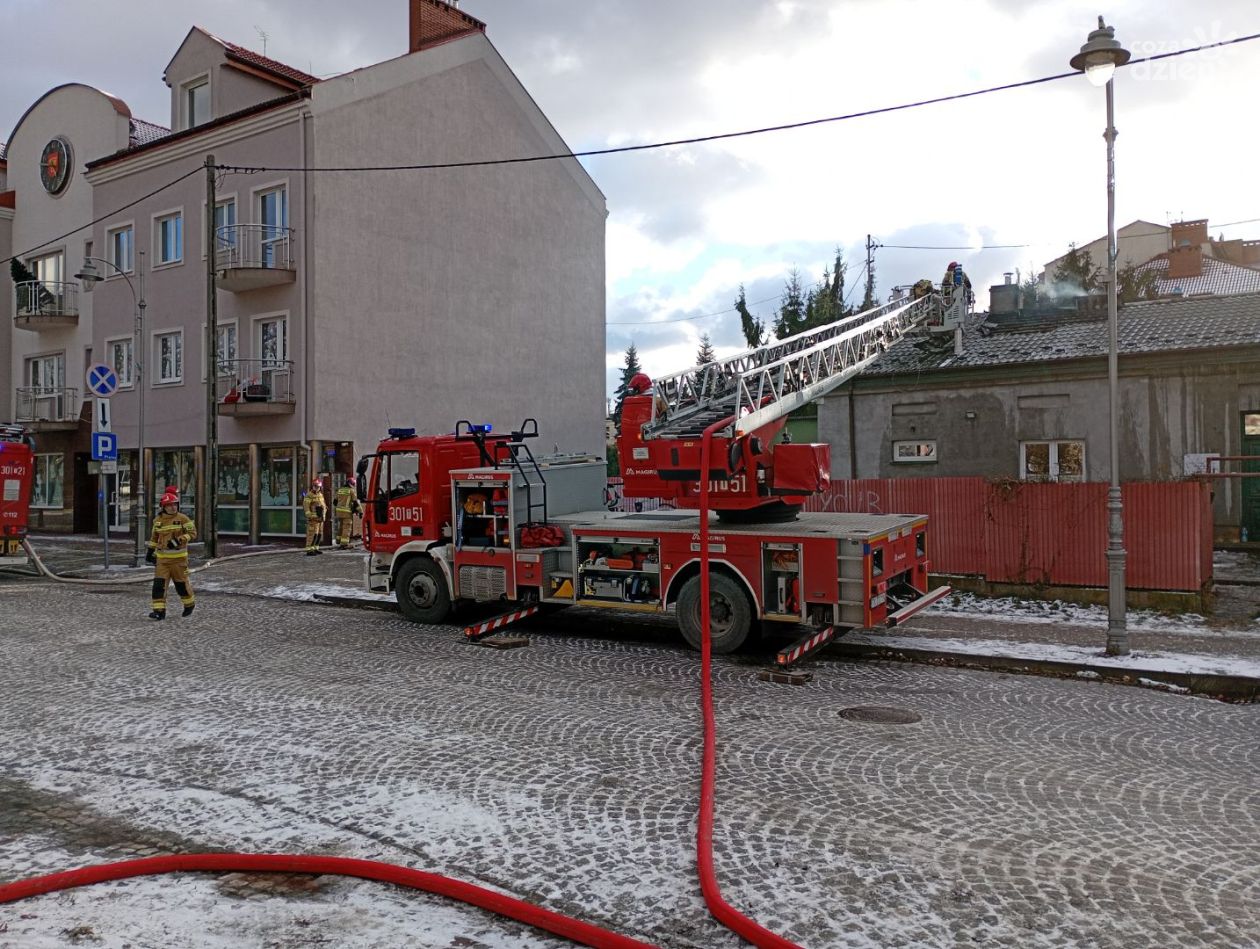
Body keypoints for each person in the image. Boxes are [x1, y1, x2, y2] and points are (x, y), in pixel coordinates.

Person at [146, 490, 196, 620]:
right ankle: (159, 611)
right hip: (162, 560)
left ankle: (189, 604)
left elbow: (193, 533)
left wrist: (178, 540)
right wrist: (150, 551)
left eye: (175, 504)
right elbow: (154, 537)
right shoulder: (157, 521)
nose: (173, 507)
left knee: (181, 585)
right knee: (159, 586)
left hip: (179, 560)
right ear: (163, 507)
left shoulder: (183, 518)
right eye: (170, 505)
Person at [333, 476, 363, 549]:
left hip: (339, 512)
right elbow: (355, 502)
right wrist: (360, 512)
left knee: (341, 527)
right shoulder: (351, 491)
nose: (354, 485)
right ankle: (344, 544)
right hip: (346, 512)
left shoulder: (340, 490)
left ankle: (338, 541)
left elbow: (334, 502)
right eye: (353, 483)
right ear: (350, 483)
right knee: (347, 527)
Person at [302, 478, 327, 555]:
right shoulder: (309, 495)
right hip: (313, 519)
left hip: (320, 518)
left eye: (318, 487)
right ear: (313, 486)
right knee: (312, 534)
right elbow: (306, 507)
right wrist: (309, 515)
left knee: (319, 534)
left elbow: (324, 505)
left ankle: (315, 548)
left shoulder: (320, 495)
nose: (317, 488)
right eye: (315, 486)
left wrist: (324, 515)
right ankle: (309, 549)